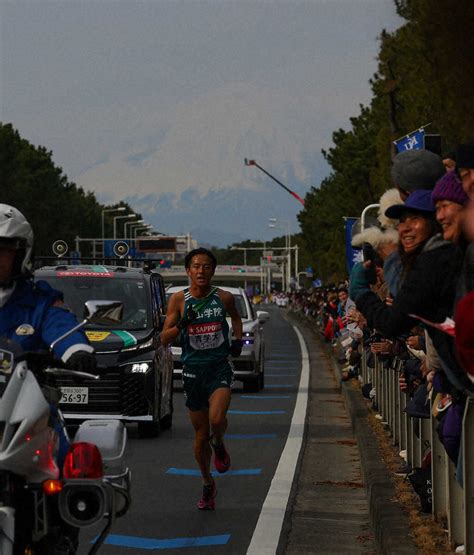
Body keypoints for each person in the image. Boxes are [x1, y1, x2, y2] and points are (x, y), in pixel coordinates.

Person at [161, 248, 243, 510]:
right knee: (200, 433)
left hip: (218, 368)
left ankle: (219, 444)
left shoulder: (224, 297)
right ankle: (207, 483)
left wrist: (238, 340)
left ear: (213, 271)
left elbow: (236, 318)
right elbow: (164, 339)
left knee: (217, 419)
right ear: (188, 271)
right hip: (192, 371)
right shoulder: (178, 300)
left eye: (206, 266)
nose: (201, 271)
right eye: (196, 266)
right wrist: (184, 323)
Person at [0, 204, 95, 369]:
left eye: (2, 250)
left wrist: (77, 351)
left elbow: (61, 327)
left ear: (20, 255)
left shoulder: (39, 303)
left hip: (22, 391)